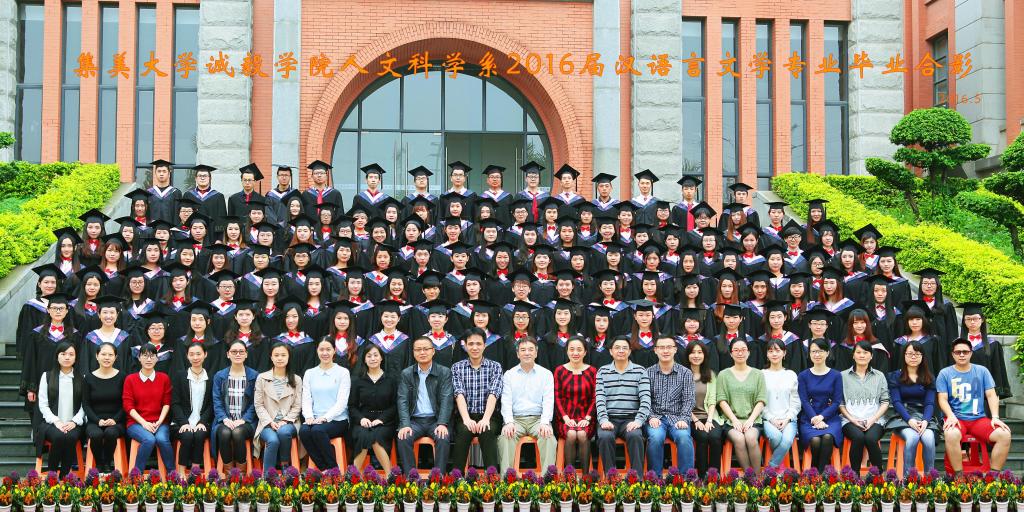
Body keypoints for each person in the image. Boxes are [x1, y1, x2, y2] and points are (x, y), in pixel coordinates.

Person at [937, 337, 1012, 475]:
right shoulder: (945, 373)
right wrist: (951, 416)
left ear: (971, 353)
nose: (961, 355)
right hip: (957, 419)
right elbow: (942, 399)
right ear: (953, 354)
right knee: (951, 434)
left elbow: (991, 395)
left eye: (965, 352)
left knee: (1004, 435)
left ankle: (993, 476)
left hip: (979, 419)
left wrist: (995, 417)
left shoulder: (982, 371)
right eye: (958, 352)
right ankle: (958, 476)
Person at [498, 336, 557, 473]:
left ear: (536, 353)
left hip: (538, 420)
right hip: (516, 419)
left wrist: (545, 422)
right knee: (506, 437)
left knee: (548, 437)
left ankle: (547, 480)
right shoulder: (509, 375)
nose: (527, 353)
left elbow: (548, 401)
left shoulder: (546, 374)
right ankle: (507, 479)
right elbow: (506, 401)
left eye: (531, 349)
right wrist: (508, 422)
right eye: (523, 350)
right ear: (517, 354)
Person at [397, 337, 453, 473]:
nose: (422, 352)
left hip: (436, 420)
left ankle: (438, 478)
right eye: (418, 349)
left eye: (426, 349)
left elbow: (447, 399)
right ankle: (412, 478)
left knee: (443, 437)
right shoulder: (407, 373)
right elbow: (402, 400)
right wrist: (405, 424)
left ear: (433, 351)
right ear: (413, 353)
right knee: (403, 436)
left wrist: (442, 423)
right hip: (414, 421)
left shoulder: (444, 372)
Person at [595, 335, 651, 472]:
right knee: (605, 436)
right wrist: (603, 420)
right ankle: (611, 478)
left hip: (631, 419)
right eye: (617, 348)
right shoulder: (603, 371)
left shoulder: (640, 371)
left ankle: (636, 479)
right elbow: (600, 398)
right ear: (611, 351)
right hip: (610, 419)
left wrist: (638, 421)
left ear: (630, 351)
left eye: (625, 348)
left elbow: (645, 398)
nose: (621, 350)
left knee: (635, 436)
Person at [451, 328, 504, 471]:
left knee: (486, 430)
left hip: (489, 416)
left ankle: (492, 478)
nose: (475, 347)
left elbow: (493, 394)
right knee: (463, 431)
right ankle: (456, 477)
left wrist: (485, 419)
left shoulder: (495, 367)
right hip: (465, 415)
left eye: (479, 344)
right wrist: (466, 419)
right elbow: (459, 394)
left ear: (485, 345)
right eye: (471, 344)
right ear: (465, 345)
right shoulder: (457, 368)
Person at [646, 335, 696, 474]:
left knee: (684, 437)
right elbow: (644, 399)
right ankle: (654, 480)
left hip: (677, 418)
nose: (665, 351)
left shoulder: (685, 373)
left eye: (669, 347)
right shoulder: (647, 373)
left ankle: (687, 479)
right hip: (656, 418)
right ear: (655, 350)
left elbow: (689, 399)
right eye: (661, 347)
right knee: (655, 438)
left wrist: (684, 418)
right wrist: (651, 416)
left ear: (675, 349)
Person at [717, 338, 767, 476]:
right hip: (731, 421)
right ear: (731, 353)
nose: (740, 353)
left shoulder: (758, 374)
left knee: (751, 438)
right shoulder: (723, 375)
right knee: (739, 439)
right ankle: (750, 477)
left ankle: (757, 478)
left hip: (753, 420)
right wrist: (734, 420)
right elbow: (722, 400)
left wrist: (751, 420)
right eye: (736, 350)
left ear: (748, 352)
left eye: (743, 350)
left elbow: (761, 400)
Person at [885, 342, 938, 474]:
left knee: (929, 438)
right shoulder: (895, 376)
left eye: (917, 354)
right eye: (910, 354)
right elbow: (896, 402)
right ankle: (909, 478)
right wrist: (909, 420)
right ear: (904, 356)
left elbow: (930, 403)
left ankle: (930, 477)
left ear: (922, 356)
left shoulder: (929, 378)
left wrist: (925, 421)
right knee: (913, 437)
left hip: (924, 415)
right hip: (902, 416)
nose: (913, 357)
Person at [299, 339, 352, 470]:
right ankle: (324, 469)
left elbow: (342, 402)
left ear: (334, 351)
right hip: (315, 418)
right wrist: (308, 416)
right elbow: (306, 398)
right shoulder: (310, 373)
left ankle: (334, 470)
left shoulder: (343, 372)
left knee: (318, 431)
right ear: (317, 351)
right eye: (321, 349)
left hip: (337, 419)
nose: (325, 353)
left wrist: (325, 418)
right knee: (304, 431)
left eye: (328, 349)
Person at [839, 340, 890, 471]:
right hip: (850, 420)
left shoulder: (879, 376)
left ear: (871, 356)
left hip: (875, 420)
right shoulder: (843, 376)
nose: (862, 355)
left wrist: (872, 419)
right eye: (858, 352)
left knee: (871, 439)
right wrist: (852, 419)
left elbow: (885, 401)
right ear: (853, 355)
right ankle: (854, 476)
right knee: (858, 437)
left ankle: (877, 476)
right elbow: (840, 403)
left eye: (866, 352)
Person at [123, 343, 175, 471]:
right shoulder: (130, 379)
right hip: (136, 423)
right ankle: (136, 475)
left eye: (152, 356)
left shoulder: (164, 378)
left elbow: (166, 403)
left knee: (162, 439)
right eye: (145, 356)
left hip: (159, 422)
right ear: (139, 358)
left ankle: (172, 474)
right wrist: (144, 423)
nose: (149, 359)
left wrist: (159, 421)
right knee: (149, 439)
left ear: (157, 359)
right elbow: (128, 405)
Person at [35, 342, 84, 477]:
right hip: (52, 423)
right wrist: (56, 421)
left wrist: (74, 421)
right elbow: (43, 404)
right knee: (59, 436)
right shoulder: (47, 376)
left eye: (71, 354)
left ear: (76, 358)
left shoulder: (82, 378)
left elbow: (84, 405)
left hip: (74, 424)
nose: (67, 357)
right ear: (57, 356)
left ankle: (65, 476)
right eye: (63, 354)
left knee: (70, 437)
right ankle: (52, 475)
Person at [349, 344, 398, 474]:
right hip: (363, 421)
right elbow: (352, 406)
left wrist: (381, 419)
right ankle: (354, 476)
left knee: (377, 437)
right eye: (369, 356)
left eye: (376, 355)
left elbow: (395, 405)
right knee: (363, 435)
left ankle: (389, 476)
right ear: (364, 360)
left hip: (385, 422)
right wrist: (361, 419)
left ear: (381, 358)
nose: (372, 358)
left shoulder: (391, 380)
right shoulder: (358, 381)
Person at [254, 342, 303, 473]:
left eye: (283, 355)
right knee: (273, 440)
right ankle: (268, 476)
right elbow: (259, 405)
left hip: (289, 422)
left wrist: (285, 420)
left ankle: (285, 466)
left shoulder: (296, 380)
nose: (280, 358)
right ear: (271, 357)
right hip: (267, 423)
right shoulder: (262, 378)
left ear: (289, 357)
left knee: (283, 432)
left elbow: (297, 406)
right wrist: (270, 422)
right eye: (276, 355)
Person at [797, 338, 844, 472]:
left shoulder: (836, 375)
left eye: (820, 351)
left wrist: (822, 417)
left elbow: (837, 401)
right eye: (813, 351)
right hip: (809, 417)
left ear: (827, 353)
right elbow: (804, 401)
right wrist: (814, 418)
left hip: (830, 417)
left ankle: (820, 474)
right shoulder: (803, 376)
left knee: (828, 437)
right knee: (815, 440)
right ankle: (816, 471)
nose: (817, 354)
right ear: (809, 354)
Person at [212, 340, 259, 469]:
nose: (238, 354)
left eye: (241, 351)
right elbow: (217, 400)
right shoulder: (220, 376)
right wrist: (224, 419)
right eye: (234, 352)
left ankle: (240, 472)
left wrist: (243, 420)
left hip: (247, 422)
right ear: (228, 354)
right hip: (225, 420)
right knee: (225, 433)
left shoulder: (254, 376)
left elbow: (256, 402)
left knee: (238, 433)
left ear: (246, 354)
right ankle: (229, 473)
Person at [554, 336, 598, 472]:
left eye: (579, 349)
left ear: (585, 352)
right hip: (565, 418)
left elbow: (595, 397)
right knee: (572, 434)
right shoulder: (560, 371)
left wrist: (588, 418)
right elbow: (557, 397)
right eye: (572, 349)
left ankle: (586, 477)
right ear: (567, 351)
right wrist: (565, 418)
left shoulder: (592, 371)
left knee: (582, 434)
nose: (575, 353)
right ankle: (569, 476)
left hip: (587, 417)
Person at [170, 342, 213, 471]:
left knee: (199, 435)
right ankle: (181, 472)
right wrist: (184, 423)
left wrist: (202, 421)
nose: (195, 357)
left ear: (205, 354)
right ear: (187, 356)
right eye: (192, 354)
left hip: (202, 422)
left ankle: (195, 470)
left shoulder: (211, 378)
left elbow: (211, 404)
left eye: (198, 354)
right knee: (187, 435)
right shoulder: (180, 376)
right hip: (181, 422)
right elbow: (175, 403)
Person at [83, 342, 126, 473]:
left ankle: (107, 463)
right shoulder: (88, 378)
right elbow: (86, 404)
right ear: (97, 356)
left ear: (115, 357)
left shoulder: (123, 377)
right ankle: (99, 463)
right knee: (95, 434)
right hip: (95, 420)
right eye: (103, 354)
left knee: (110, 433)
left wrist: (115, 419)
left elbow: (126, 403)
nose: (107, 357)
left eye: (110, 355)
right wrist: (97, 421)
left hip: (117, 421)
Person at [761, 339, 801, 468]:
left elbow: (796, 401)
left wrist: (787, 418)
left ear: (784, 353)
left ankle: (771, 468)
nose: (774, 354)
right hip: (768, 419)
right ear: (767, 354)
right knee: (776, 437)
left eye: (778, 351)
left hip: (788, 419)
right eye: (770, 351)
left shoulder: (791, 374)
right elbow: (759, 401)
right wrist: (771, 418)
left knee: (787, 440)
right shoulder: (761, 374)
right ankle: (780, 468)